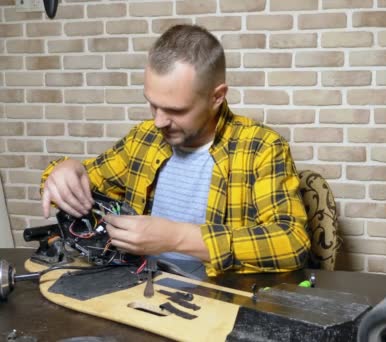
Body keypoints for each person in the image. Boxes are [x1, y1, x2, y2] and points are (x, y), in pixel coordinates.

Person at [40, 24, 310, 278]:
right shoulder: (144, 138)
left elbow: (292, 242)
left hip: (216, 300)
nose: (159, 121)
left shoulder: (261, 147)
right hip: (134, 288)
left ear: (217, 97)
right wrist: (62, 170)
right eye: (153, 105)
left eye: (176, 110)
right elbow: (80, 181)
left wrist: (177, 238)